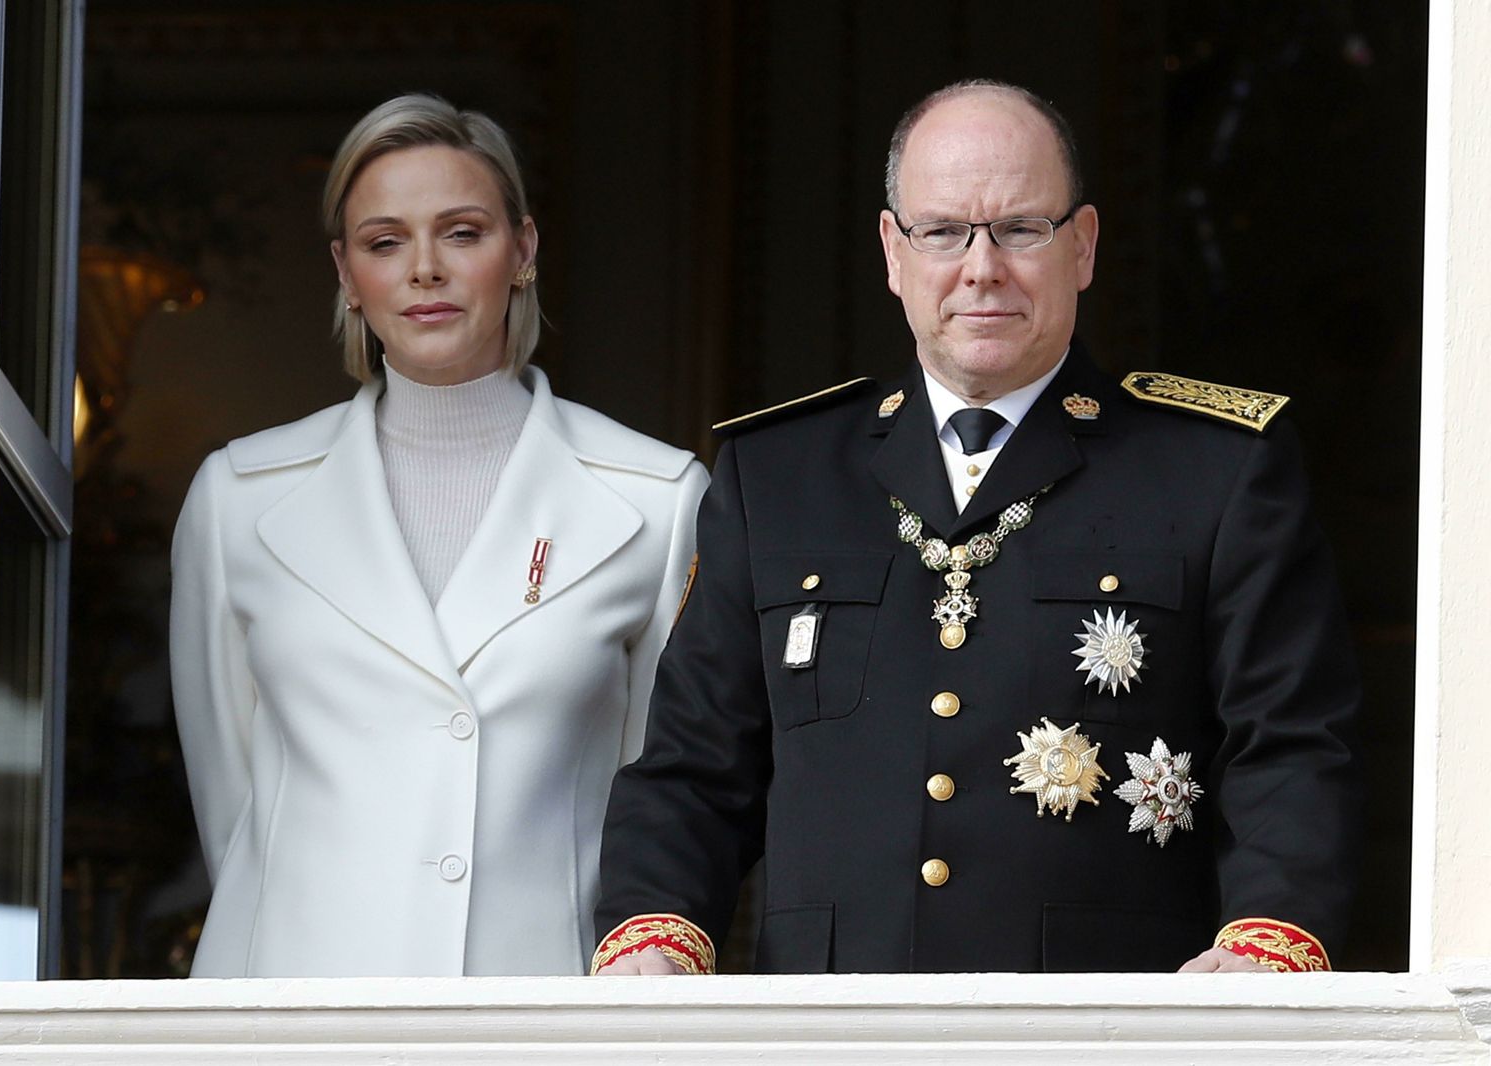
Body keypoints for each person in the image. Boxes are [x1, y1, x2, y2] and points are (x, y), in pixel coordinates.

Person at [591, 79, 1359, 976]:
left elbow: (1290, 744)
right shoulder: (777, 477)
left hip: (1100, 1032)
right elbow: (693, 766)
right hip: (831, 1033)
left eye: (1021, 229)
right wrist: (652, 935)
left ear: (1083, 246)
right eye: (944, 231)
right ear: (893, 251)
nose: (981, 267)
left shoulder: (1216, 471)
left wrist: (1269, 940)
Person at [170, 93, 707, 977]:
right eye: (385, 243)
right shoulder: (239, 499)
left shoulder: (655, 500)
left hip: (539, 1016)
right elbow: (233, 802)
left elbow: (661, 807)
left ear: (523, 251)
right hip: (294, 1018)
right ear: (347, 273)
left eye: (461, 233)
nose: (424, 269)